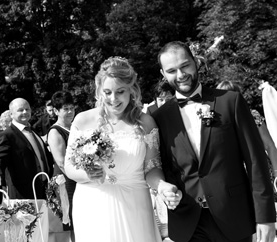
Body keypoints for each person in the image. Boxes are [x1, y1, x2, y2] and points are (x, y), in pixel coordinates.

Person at [152, 41, 276, 242]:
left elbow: (256, 162)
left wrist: (266, 217)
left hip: (233, 218)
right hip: (188, 224)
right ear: (163, 74)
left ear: (195, 62)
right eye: (172, 70)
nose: (181, 74)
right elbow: (162, 167)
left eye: (185, 66)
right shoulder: (159, 117)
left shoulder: (231, 101)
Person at [64, 56, 182, 242]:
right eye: (108, 92)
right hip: (93, 205)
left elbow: (152, 168)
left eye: (120, 92)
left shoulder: (145, 123)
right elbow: (69, 168)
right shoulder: (83, 120)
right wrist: (89, 174)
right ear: (99, 91)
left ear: (131, 90)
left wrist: (162, 186)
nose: (113, 99)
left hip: (135, 205)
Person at [216, 80, 277, 198]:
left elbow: (269, 146)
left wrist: (276, 173)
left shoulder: (252, 116)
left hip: (258, 174)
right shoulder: (216, 122)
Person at [0, 98, 54, 199]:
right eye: (20, 110)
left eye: (27, 109)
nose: (25, 112)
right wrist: (1, 186)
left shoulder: (33, 132)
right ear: (11, 114)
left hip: (43, 191)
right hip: (22, 195)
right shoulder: (7, 135)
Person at [47, 91, 77, 241]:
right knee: (73, 222)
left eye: (72, 108)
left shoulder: (75, 127)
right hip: (66, 183)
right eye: (66, 108)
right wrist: (82, 178)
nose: (70, 112)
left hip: (78, 180)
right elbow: (61, 162)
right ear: (57, 110)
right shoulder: (55, 132)